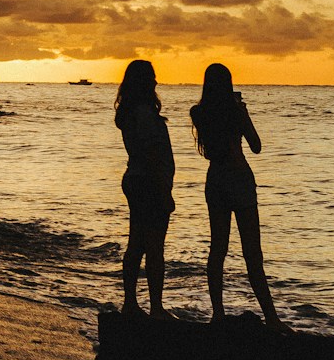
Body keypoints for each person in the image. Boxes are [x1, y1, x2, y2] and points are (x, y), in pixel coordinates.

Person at [190, 62, 282, 328]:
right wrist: (243, 113)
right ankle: (272, 318)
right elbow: (256, 146)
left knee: (217, 249)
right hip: (239, 178)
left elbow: (209, 151)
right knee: (252, 253)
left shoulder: (199, 113)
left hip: (216, 179)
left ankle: (217, 313)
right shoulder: (235, 111)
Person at [114, 59, 174, 316]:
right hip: (148, 182)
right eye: (151, 77)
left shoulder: (131, 112)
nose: (156, 81)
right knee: (154, 247)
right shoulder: (144, 114)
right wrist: (164, 191)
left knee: (137, 243)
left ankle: (131, 303)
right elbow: (152, 155)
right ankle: (156, 307)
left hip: (136, 178)